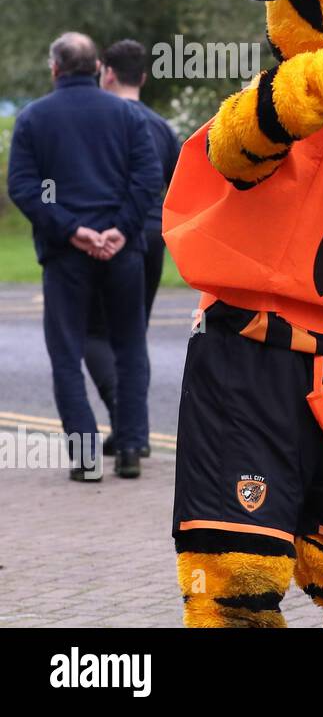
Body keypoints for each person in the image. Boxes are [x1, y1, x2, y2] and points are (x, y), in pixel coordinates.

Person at [6, 32, 161, 480]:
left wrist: (72, 229)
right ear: (98, 68)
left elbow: (25, 187)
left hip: (65, 255)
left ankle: (86, 456)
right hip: (122, 250)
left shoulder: (34, 118)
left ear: (55, 69)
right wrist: (120, 228)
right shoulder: (127, 116)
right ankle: (131, 447)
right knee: (130, 346)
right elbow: (147, 177)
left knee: (66, 352)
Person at [84, 39, 182, 458]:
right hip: (151, 238)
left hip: (106, 238)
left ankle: (126, 421)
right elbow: (181, 186)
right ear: (142, 77)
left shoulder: (100, 121)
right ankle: (131, 430)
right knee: (132, 336)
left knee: (90, 334)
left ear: (106, 71)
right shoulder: (162, 128)